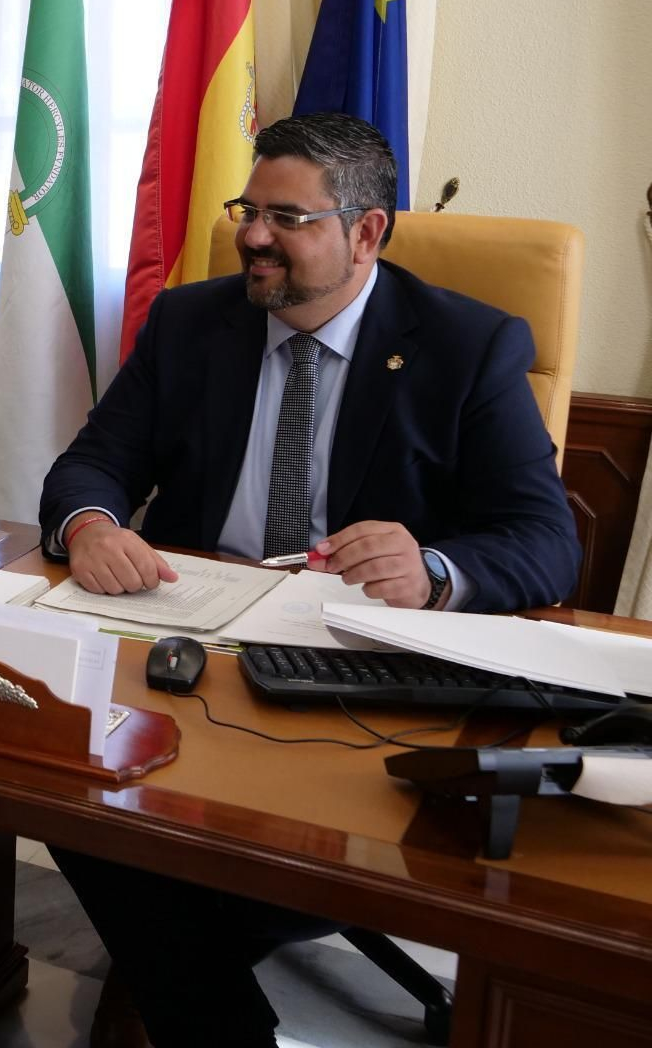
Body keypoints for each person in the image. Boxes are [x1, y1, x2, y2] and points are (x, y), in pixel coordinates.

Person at [39, 112, 580, 1047]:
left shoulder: (468, 346)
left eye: (287, 219)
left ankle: (180, 978)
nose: (253, 236)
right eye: (249, 209)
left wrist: (437, 570)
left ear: (367, 233)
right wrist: (88, 523)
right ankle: (201, 994)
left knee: (196, 863)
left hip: (354, 666)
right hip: (186, 644)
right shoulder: (190, 321)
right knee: (58, 785)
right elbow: (91, 467)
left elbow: (544, 539)